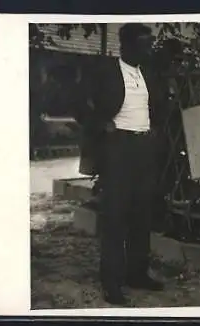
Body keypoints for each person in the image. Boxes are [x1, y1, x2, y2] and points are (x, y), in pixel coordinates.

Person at [74, 23, 166, 305]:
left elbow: (159, 106)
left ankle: (137, 273)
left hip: (144, 148)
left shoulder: (148, 72)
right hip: (117, 148)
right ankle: (111, 283)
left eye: (148, 44)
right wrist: (103, 125)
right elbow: (78, 105)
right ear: (126, 45)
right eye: (142, 45)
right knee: (115, 217)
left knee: (142, 214)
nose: (147, 49)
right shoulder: (107, 72)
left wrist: (154, 130)